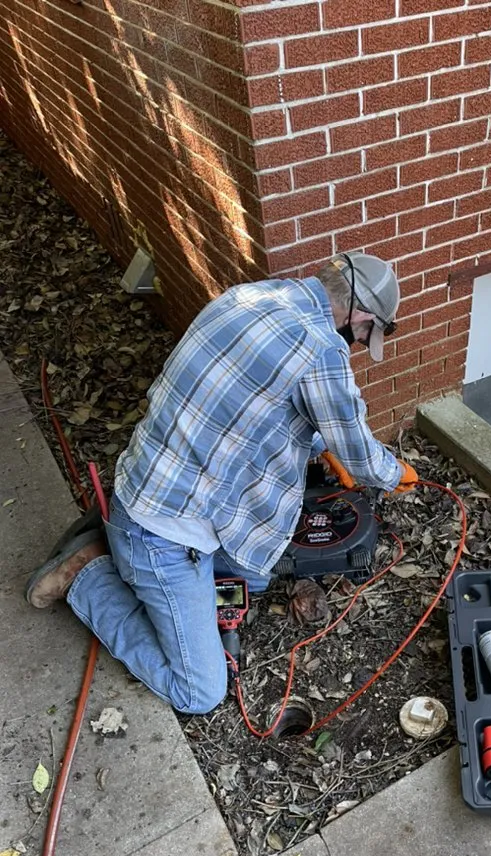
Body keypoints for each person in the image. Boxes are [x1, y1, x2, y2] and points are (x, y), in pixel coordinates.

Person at [25, 251, 418, 714]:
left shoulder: (249, 295)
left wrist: (314, 445)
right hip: (163, 530)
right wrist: (397, 475)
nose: (355, 343)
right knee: (199, 692)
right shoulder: (319, 347)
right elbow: (359, 452)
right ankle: (88, 577)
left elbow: (255, 413)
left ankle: (119, 549)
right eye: (364, 334)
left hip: (151, 484)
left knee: (255, 571)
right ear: (361, 316)